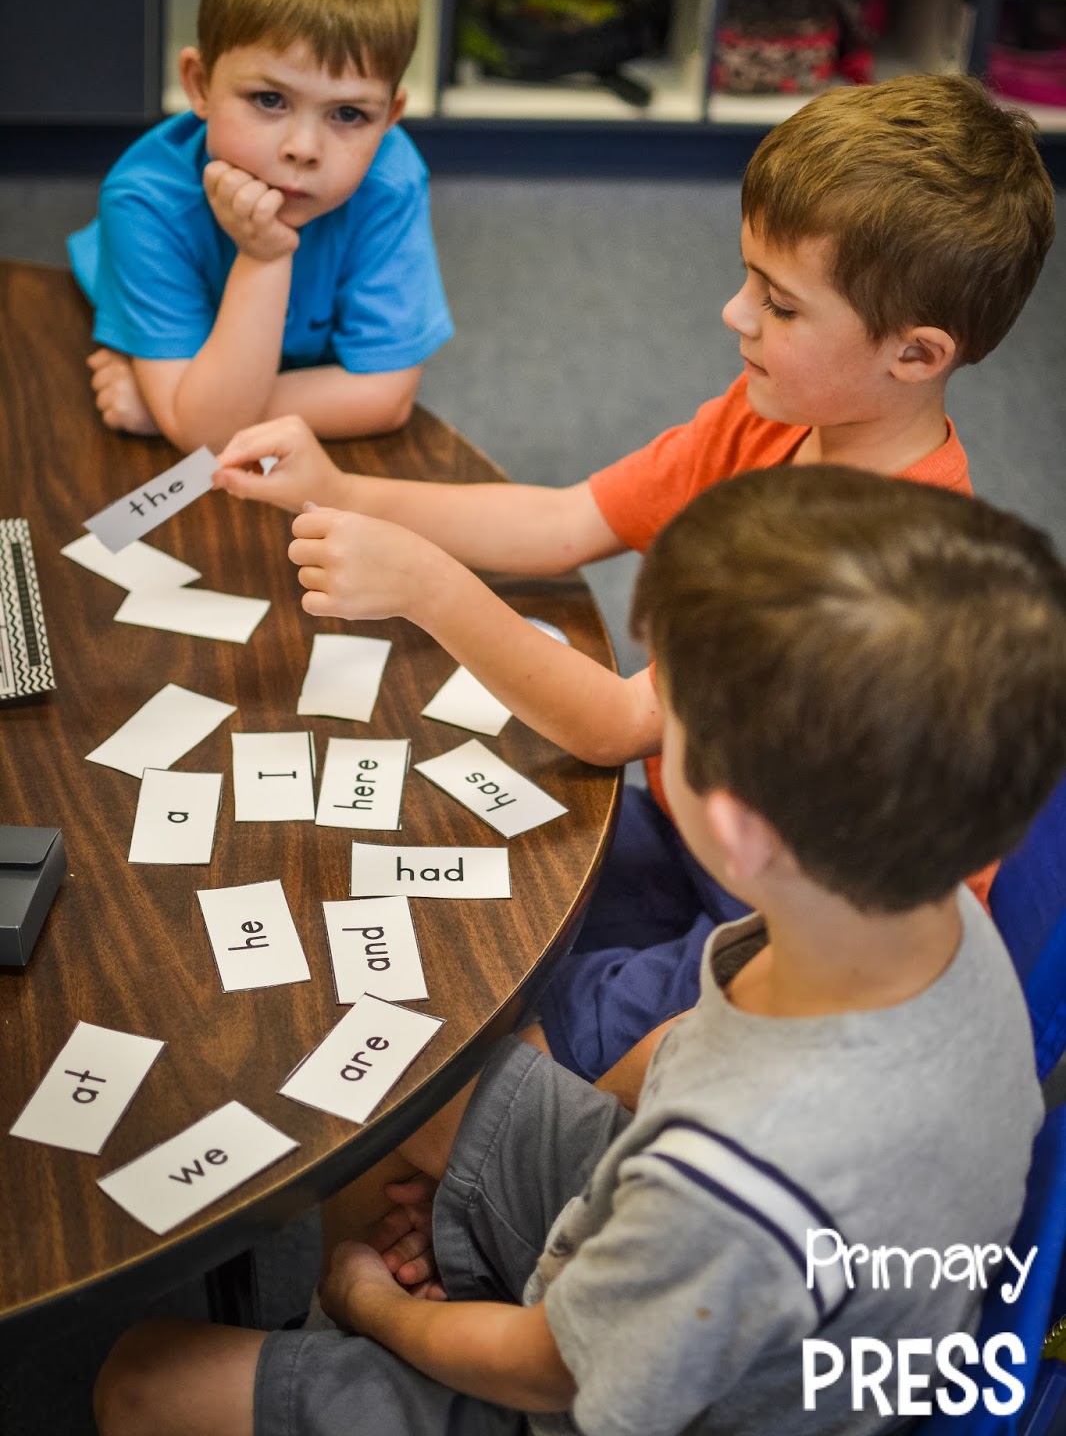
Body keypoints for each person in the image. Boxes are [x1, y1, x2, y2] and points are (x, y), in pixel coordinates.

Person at [93, 466, 1066, 1436]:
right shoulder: (909, 902)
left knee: (139, 1377)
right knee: (396, 1079)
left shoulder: (727, 1189)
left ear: (735, 827)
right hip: (705, 1262)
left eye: (666, 711)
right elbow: (688, 1045)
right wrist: (520, 1182)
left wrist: (367, 1303)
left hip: (606, 1378)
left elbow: (549, 1370)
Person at [212, 72, 1055, 1080]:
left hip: (794, 937)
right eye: (749, 277)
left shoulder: (875, 571)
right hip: (692, 829)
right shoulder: (775, 414)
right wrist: (345, 487)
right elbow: (567, 519)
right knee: (436, 930)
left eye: (780, 304)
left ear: (915, 354)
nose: (734, 313)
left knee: (469, 1046)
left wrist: (426, 585)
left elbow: (613, 723)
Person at [67, 0, 453, 454]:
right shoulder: (144, 202)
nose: (302, 149)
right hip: (153, 297)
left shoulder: (390, 181)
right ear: (199, 85)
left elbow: (388, 398)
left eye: (349, 114)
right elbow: (214, 430)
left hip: (239, 370)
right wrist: (264, 256)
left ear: (390, 121)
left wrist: (181, 406)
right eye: (270, 99)